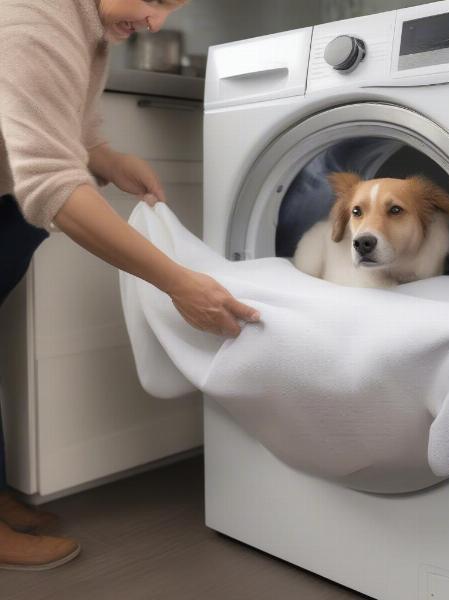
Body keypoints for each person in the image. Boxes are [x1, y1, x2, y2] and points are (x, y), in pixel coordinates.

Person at [0, 0, 260, 570]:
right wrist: (178, 283)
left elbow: (71, 132)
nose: (158, 22)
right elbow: (51, 181)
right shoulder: (34, 22)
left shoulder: (87, 24)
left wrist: (109, 160)